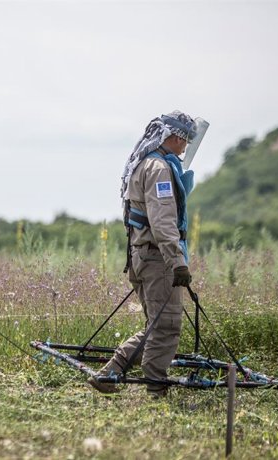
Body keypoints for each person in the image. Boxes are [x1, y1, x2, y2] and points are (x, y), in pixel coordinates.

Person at [88, 110, 199, 398]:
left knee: (156, 324)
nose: (185, 147)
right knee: (167, 326)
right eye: (185, 141)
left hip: (140, 256)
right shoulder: (160, 169)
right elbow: (163, 222)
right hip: (157, 260)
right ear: (175, 137)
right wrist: (178, 262)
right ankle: (155, 391)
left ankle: (112, 372)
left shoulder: (143, 164)